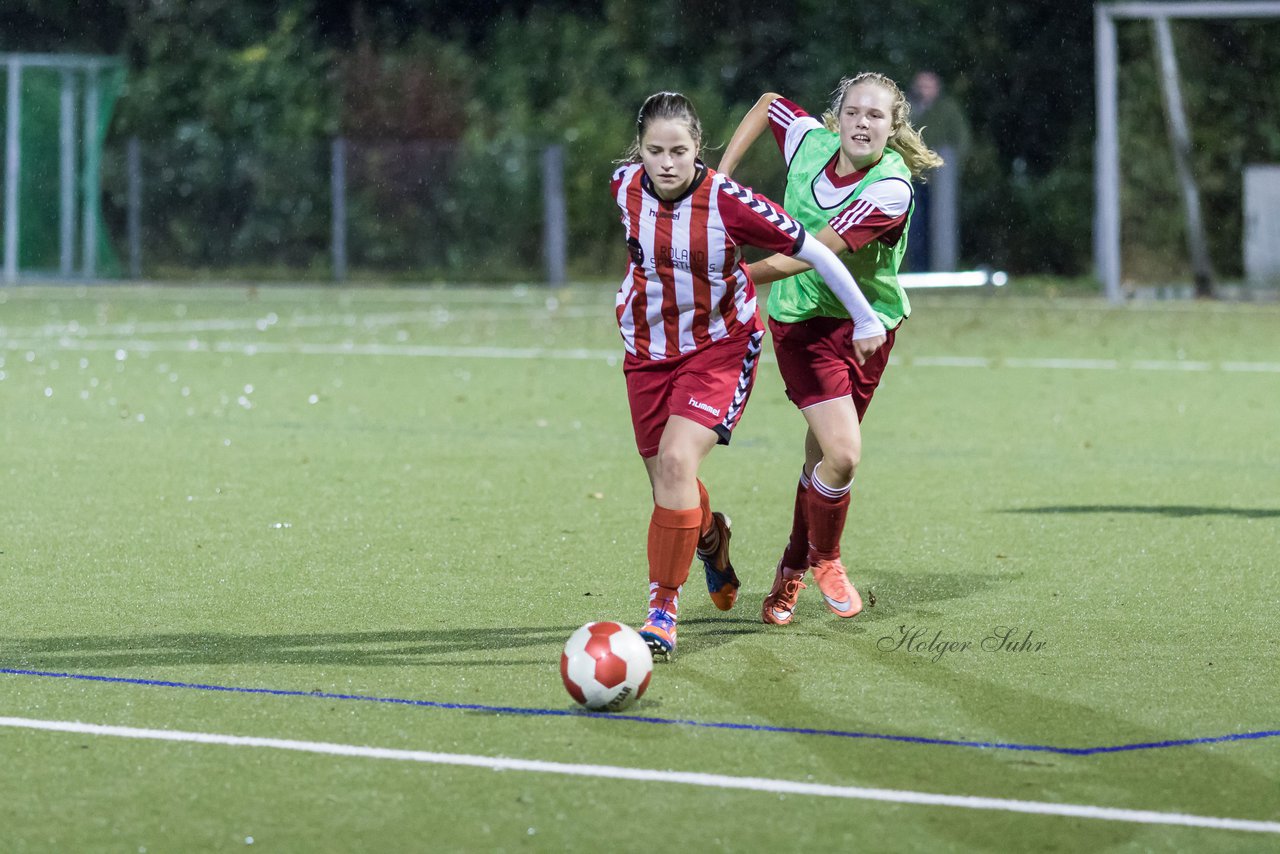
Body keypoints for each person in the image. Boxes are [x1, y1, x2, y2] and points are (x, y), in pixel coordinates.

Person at [612, 91, 886, 658]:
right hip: (646, 352)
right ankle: (713, 541)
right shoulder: (624, 187)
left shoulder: (730, 202)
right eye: (654, 150)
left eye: (679, 151)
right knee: (670, 486)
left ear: (699, 150)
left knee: (676, 464)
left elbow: (819, 251)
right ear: (638, 150)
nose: (666, 163)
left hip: (719, 349)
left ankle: (662, 610)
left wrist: (864, 318)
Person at [718, 73, 942, 626]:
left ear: (893, 129)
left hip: (868, 330)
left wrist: (733, 280)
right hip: (803, 324)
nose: (863, 123)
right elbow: (768, 101)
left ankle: (791, 568)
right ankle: (826, 558)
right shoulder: (810, 143)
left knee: (820, 459)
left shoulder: (891, 188)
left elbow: (814, 252)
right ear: (836, 117)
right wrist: (718, 180)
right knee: (842, 454)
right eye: (854, 112)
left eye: (876, 116)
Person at [905, 71, 970, 272]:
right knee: (914, 223)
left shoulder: (948, 110)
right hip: (913, 175)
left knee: (940, 225)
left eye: (929, 86)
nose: (924, 90)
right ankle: (917, 269)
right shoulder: (907, 108)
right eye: (921, 86)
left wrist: (950, 167)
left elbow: (961, 140)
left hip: (940, 180)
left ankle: (941, 268)